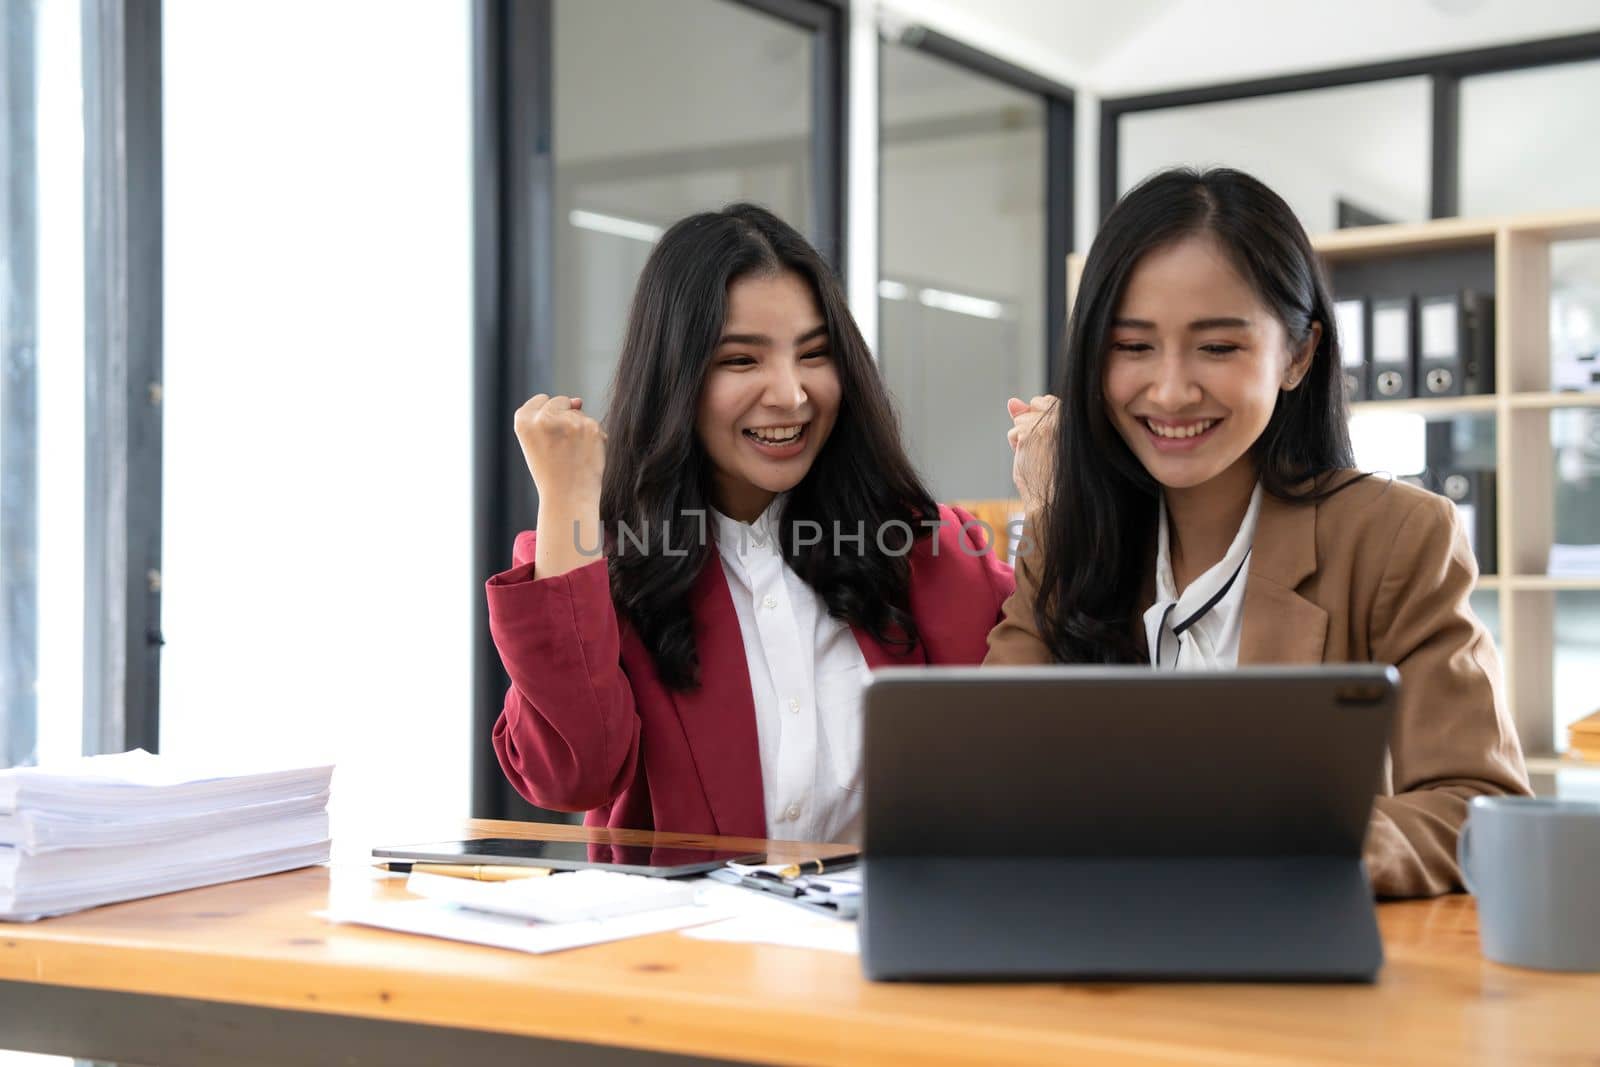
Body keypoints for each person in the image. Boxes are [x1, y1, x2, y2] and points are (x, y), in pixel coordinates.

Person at [990, 167, 1530, 898]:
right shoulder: (1068, 538)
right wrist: (1065, 507)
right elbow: (984, 777)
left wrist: (1300, 843)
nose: (1172, 389)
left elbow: (1480, 807)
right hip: (1101, 963)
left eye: (1217, 348)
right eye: (1134, 347)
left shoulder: (1397, 537)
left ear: (1298, 354)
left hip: (1297, 968)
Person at [489, 203, 1015, 843]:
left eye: (814, 354)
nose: (791, 394)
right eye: (742, 360)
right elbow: (571, 776)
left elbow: (1052, 723)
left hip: (889, 936)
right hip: (684, 941)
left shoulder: (922, 548)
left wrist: (1058, 504)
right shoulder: (602, 565)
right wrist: (568, 501)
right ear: (676, 377)